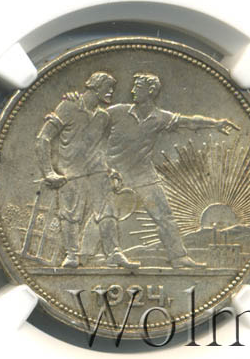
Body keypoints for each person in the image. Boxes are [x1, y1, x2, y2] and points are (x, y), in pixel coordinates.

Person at [105, 72, 239, 268]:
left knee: (164, 215)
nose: (132, 91)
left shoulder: (160, 117)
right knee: (104, 215)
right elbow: (91, 122)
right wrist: (73, 103)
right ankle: (93, 255)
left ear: (151, 91)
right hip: (112, 174)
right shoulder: (117, 112)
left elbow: (189, 121)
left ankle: (178, 257)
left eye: (138, 87)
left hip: (143, 175)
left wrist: (215, 123)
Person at [35, 71, 138, 269]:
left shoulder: (103, 117)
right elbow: (43, 138)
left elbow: (99, 148)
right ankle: (72, 254)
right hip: (71, 173)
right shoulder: (68, 106)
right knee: (70, 215)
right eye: (108, 88)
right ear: (95, 87)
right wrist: (48, 172)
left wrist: (109, 170)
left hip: (98, 172)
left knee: (108, 212)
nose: (111, 92)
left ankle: (113, 253)